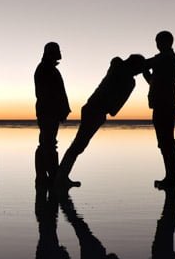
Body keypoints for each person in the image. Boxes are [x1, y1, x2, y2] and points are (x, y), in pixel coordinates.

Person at [56, 54, 148, 188]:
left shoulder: (117, 65)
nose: (139, 73)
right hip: (96, 111)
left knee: (78, 145)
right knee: (78, 146)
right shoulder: (127, 79)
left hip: (92, 109)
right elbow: (114, 111)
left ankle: (62, 176)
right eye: (139, 70)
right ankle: (60, 178)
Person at [144, 31, 175, 190]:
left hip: (164, 106)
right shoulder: (170, 60)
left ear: (167, 42)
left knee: (167, 143)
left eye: (158, 41)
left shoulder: (165, 58)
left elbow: (144, 64)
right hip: (164, 105)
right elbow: (153, 81)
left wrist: (143, 67)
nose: (157, 44)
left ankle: (172, 179)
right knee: (166, 143)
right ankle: (170, 178)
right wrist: (146, 73)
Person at [34, 42, 71, 187]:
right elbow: (49, 94)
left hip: (49, 113)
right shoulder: (45, 69)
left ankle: (48, 177)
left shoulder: (49, 69)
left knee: (47, 144)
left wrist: (62, 110)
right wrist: (59, 110)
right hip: (47, 113)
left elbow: (58, 92)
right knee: (47, 144)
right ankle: (47, 177)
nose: (59, 54)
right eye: (56, 52)